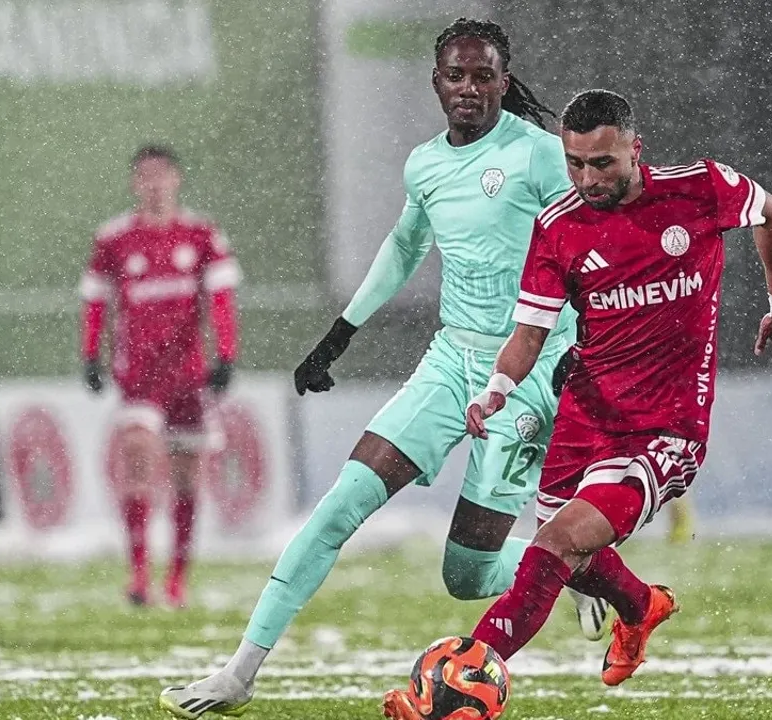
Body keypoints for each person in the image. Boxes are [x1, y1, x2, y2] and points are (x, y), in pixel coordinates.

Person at [160, 18, 606, 719]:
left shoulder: (540, 156)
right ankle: (239, 674)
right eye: (455, 76)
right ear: (436, 83)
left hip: (527, 373)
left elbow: (594, 246)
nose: (468, 88)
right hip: (451, 360)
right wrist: (338, 336)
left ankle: (573, 562)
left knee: (466, 575)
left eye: (483, 75)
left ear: (504, 81)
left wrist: (579, 347)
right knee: (340, 505)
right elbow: (403, 247)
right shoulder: (425, 164)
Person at [381, 89, 772, 719]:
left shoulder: (700, 189)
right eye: (575, 163)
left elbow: (769, 211)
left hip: (666, 428)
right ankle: (641, 606)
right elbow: (529, 332)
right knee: (572, 559)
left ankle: (461, 684)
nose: (587, 179)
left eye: (602, 163)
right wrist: (496, 389)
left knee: (556, 545)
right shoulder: (558, 227)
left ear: (636, 150)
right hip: (584, 417)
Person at [79, 144, 240, 608]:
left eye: (162, 175)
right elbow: (96, 300)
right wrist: (90, 355)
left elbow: (222, 298)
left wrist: (226, 355)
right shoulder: (114, 239)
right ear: (135, 183)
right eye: (145, 176)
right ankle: (137, 575)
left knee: (187, 477)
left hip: (188, 375)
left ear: (176, 179)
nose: (154, 184)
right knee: (137, 459)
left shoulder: (202, 234)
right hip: (138, 375)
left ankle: (176, 580)